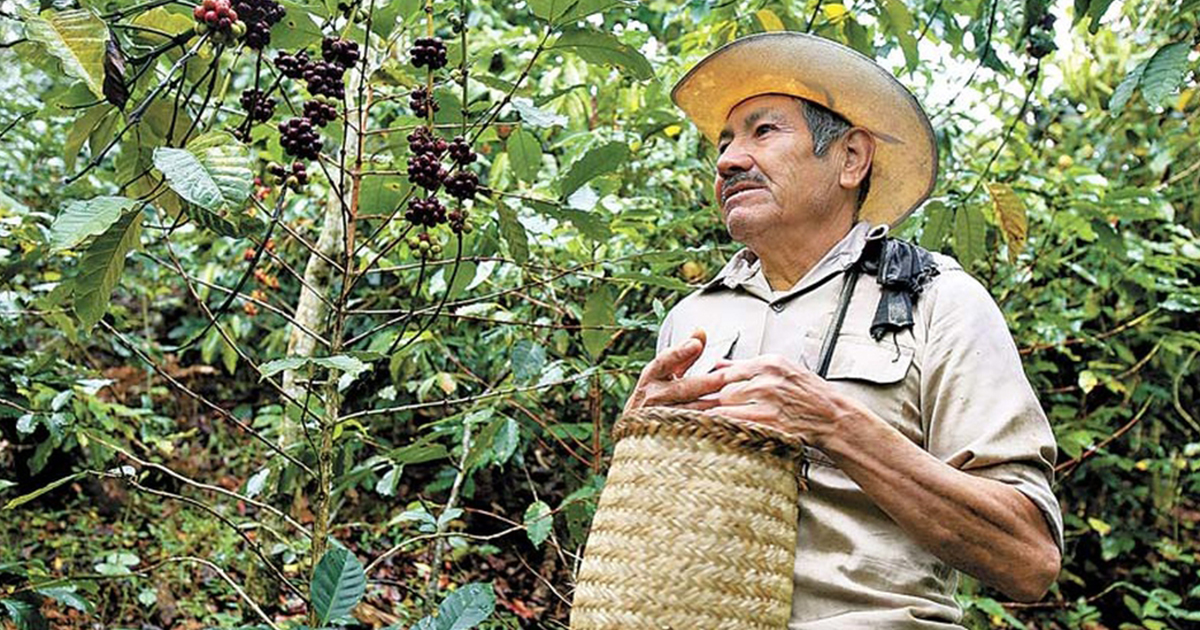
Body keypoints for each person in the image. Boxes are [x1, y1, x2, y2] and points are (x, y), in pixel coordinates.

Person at [623, 32, 1063, 628]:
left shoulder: (939, 299)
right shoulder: (692, 318)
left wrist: (834, 423)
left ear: (851, 159)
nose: (727, 159)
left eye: (764, 131)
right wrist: (643, 439)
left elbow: (1028, 558)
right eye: (725, 142)